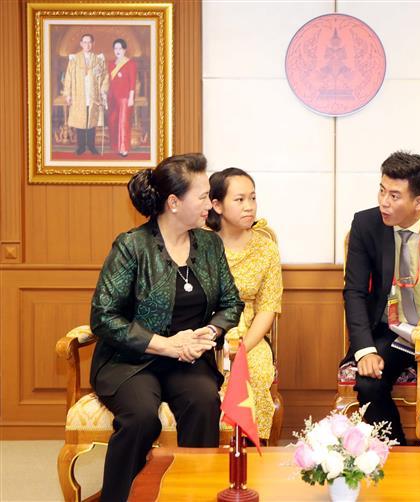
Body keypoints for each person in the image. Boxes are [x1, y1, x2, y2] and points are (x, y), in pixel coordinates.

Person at [90, 153, 244, 501]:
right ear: (174, 202)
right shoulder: (132, 246)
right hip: (131, 362)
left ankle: (195, 494)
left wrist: (210, 333)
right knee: (142, 417)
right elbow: (103, 316)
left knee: (204, 402)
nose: (211, 204)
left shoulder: (209, 245)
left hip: (188, 360)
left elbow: (232, 303)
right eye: (203, 196)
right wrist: (165, 344)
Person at [343, 151, 420, 445]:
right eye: (381, 190)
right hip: (392, 331)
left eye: (394, 195)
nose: (384, 202)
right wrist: (364, 350)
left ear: (419, 202)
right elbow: (353, 291)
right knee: (368, 382)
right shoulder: (366, 224)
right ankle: (395, 449)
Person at [206, 168, 283, 442]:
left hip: (250, 334)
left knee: (257, 370)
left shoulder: (266, 249)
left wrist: (244, 347)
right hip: (204, 333)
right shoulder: (201, 243)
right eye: (239, 200)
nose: (249, 207)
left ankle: (249, 449)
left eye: (252, 198)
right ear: (217, 204)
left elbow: (267, 307)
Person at [63, 33, 109, 155]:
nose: (87, 44)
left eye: (89, 42)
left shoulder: (98, 59)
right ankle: (81, 146)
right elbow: (68, 77)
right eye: (85, 42)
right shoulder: (74, 59)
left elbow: (105, 76)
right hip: (79, 94)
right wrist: (68, 94)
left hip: (93, 95)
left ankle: (92, 145)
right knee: (80, 121)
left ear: (93, 44)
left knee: (91, 121)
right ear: (81, 43)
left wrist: (103, 91)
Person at [108, 38, 137, 157]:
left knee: (123, 122)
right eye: (116, 48)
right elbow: (110, 81)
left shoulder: (130, 64)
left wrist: (131, 97)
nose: (118, 50)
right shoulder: (111, 64)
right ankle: (116, 146)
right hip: (113, 97)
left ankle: (123, 148)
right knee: (113, 121)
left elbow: (132, 82)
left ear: (124, 50)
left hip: (125, 97)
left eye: (120, 48)